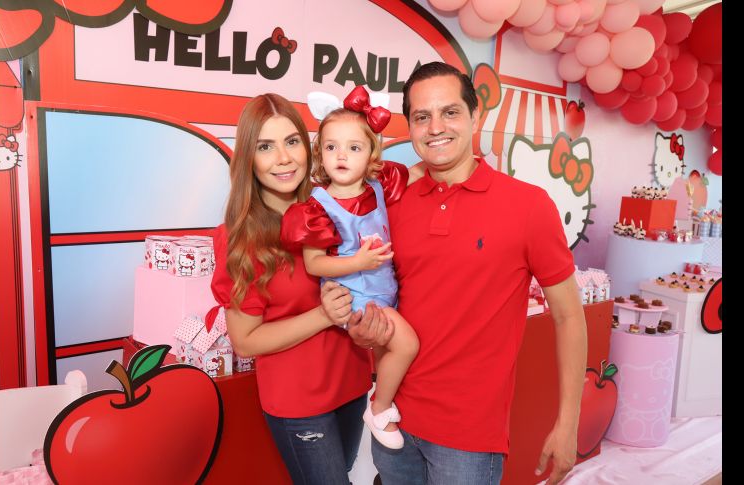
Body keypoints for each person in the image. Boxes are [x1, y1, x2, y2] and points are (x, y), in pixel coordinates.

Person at [323, 62, 588, 485]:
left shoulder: (529, 206)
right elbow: (380, 294)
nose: (435, 128)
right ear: (410, 127)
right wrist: (362, 328)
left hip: (469, 437)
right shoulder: (393, 205)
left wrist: (568, 422)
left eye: (450, 112)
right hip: (393, 420)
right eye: (421, 117)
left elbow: (568, 315)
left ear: (475, 115)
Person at [206, 93, 375, 485]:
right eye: (265, 146)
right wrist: (323, 315)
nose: (283, 158)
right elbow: (245, 341)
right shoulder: (239, 238)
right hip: (299, 402)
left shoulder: (334, 206)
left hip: (352, 383)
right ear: (248, 158)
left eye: (292, 141)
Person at [280, 86, 420, 450]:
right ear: (319, 153)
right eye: (332, 147)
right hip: (354, 299)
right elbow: (314, 263)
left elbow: (418, 174)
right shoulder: (318, 207)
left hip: (384, 290)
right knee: (407, 344)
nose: (341, 155)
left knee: (390, 351)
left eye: (354, 148)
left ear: (372, 153)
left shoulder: (379, 187)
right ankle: (380, 409)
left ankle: (383, 394)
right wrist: (359, 261)